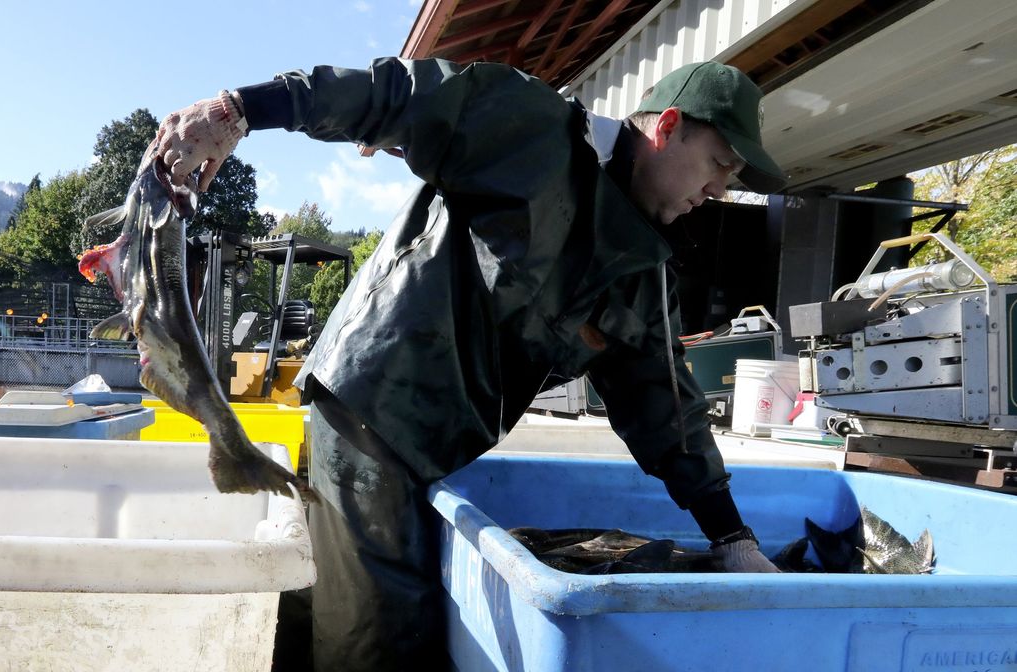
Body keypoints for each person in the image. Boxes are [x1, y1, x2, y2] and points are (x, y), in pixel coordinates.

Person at [152, 58, 787, 671]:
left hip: (436, 450)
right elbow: (394, 94)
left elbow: (666, 413)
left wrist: (733, 539)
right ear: (667, 126)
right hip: (369, 408)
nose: (718, 190)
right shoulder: (533, 130)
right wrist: (241, 109)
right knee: (377, 641)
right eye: (719, 164)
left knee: (340, 609)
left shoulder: (643, 278)